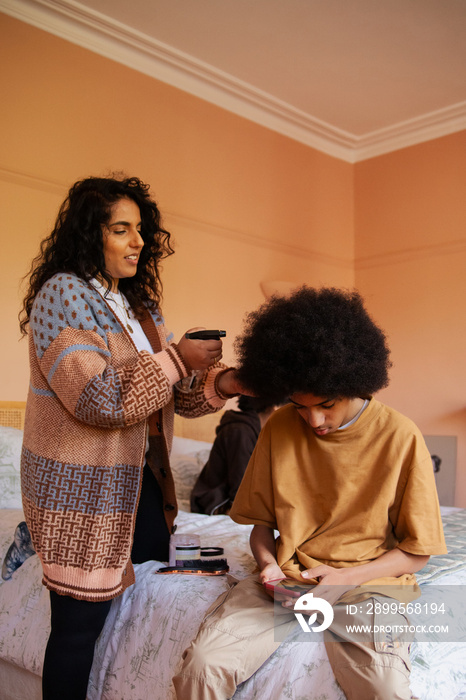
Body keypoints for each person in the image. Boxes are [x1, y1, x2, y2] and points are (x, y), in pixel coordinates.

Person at [18, 175, 242, 700]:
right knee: (77, 631)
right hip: (77, 491)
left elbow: (167, 397)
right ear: (89, 234)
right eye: (122, 230)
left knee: (150, 602)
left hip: (139, 484)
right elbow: (100, 399)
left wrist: (227, 382)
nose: (138, 241)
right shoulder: (63, 294)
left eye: (140, 230)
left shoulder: (140, 308)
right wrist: (176, 358)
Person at [173, 286, 447, 700]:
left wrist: (344, 579)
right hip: (289, 583)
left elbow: (418, 551)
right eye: (300, 406)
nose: (313, 420)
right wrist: (267, 566)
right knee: (203, 667)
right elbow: (262, 528)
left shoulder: (401, 436)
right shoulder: (280, 427)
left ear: (355, 380)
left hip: (367, 587)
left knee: (385, 688)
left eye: (326, 404)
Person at [190, 395, 277, 515]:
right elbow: (241, 480)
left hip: (234, 497)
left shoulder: (253, 431)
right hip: (215, 501)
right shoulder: (239, 431)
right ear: (272, 408)